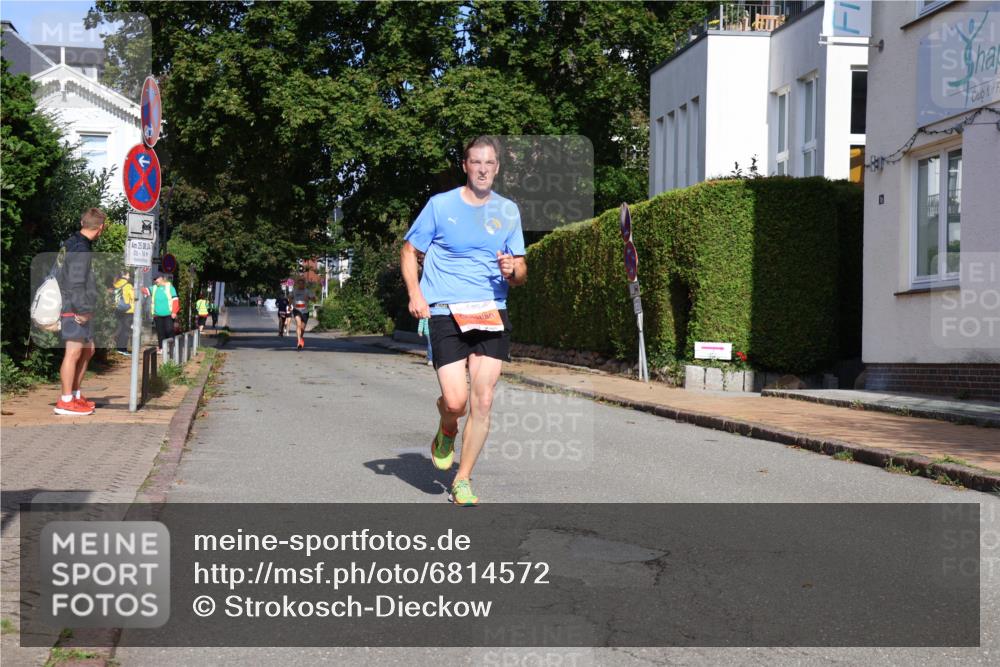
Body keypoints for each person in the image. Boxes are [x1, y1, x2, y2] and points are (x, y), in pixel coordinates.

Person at [400, 135, 527, 506]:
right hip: (445, 310)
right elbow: (410, 250)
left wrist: (513, 269)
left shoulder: (508, 211)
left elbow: (521, 271)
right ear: (466, 166)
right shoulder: (441, 206)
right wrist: (415, 294)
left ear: (497, 168)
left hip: (490, 309)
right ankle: (447, 425)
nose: (483, 169)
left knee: (483, 400)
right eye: (476, 162)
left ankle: (463, 479)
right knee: (456, 401)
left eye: (489, 163)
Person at [54, 207, 107, 415]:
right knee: (74, 352)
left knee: (88, 349)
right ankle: (66, 400)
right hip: (74, 308)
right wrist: (83, 310)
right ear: (100, 228)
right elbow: (76, 283)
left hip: (74, 305)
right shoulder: (81, 249)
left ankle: (75, 395)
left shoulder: (74, 243)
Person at [111, 269, 135, 357]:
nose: (129, 276)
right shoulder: (128, 285)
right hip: (128, 311)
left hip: (117, 309)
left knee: (119, 328)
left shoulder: (115, 284)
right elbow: (134, 297)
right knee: (126, 330)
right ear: (125, 275)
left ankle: (118, 348)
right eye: (128, 275)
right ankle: (122, 349)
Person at [151, 275, 179, 349]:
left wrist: (174, 312)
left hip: (168, 314)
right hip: (157, 315)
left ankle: (172, 348)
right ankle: (161, 348)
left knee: (169, 331)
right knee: (160, 333)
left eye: (156, 279)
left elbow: (175, 300)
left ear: (161, 279)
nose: (154, 281)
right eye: (154, 280)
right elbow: (145, 290)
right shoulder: (154, 288)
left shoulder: (170, 288)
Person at [290, 278, 314, 350]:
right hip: (296, 310)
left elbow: (314, 299)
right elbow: (290, 298)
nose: (301, 285)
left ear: (304, 284)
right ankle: (299, 342)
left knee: (302, 328)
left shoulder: (307, 291)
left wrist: (310, 298)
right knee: (298, 325)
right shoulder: (294, 291)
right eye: (299, 284)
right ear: (297, 284)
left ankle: (300, 338)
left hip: (305, 311)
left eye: (302, 284)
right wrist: (289, 306)